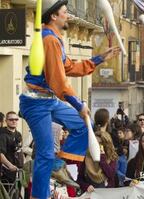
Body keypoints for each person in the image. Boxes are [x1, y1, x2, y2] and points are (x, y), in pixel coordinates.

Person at [18, 0, 121, 198]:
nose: (69, 15)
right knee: (45, 154)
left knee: (85, 123)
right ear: (54, 16)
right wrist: (78, 104)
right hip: (36, 103)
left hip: (48, 100)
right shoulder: (49, 40)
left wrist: (99, 59)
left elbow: (69, 68)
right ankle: (40, 195)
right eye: (65, 12)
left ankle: (59, 164)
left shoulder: (55, 39)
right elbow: (58, 80)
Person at [0, 112, 23, 184]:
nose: (14, 121)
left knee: (17, 193)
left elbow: (20, 150)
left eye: (16, 119)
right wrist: (10, 166)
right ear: (6, 121)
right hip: (6, 171)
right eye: (11, 119)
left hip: (18, 170)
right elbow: (1, 154)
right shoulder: (2, 134)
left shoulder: (18, 134)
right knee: (7, 194)